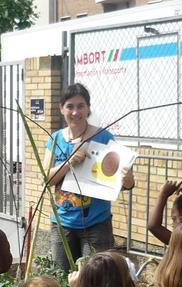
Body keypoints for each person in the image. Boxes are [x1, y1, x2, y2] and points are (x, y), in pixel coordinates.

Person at [44, 83, 135, 272]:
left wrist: (127, 180)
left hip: (96, 224)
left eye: (80, 106)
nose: (75, 112)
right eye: (70, 106)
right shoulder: (55, 140)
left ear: (88, 108)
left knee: (94, 281)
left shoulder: (104, 137)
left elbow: (122, 181)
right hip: (62, 224)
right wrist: (69, 162)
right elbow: (47, 179)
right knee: (61, 277)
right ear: (61, 109)